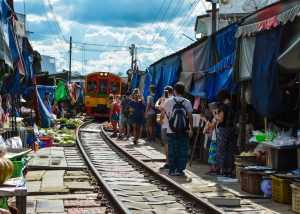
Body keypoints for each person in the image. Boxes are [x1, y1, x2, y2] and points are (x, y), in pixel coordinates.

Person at [162, 82, 193, 176]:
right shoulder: (187, 102)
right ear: (184, 91)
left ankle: (172, 169)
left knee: (172, 149)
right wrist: (191, 128)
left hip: (171, 130)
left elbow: (164, 114)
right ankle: (180, 169)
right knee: (182, 149)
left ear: (174, 91)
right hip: (184, 130)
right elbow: (190, 117)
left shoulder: (169, 101)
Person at [215, 102, 236, 177]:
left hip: (223, 130)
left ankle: (222, 170)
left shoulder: (223, 107)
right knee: (230, 150)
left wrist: (215, 116)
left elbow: (221, 119)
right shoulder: (233, 107)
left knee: (222, 150)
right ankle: (229, 170)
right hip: (231, 130)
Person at [156, 86, 173, 169]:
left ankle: (168, 162)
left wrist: (160, 120)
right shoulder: (175, 99)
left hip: (165, 125)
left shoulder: (164, 100)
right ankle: (173, 161)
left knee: (166, 144)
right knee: (172, 143)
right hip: (174, 126)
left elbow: (159, 108)